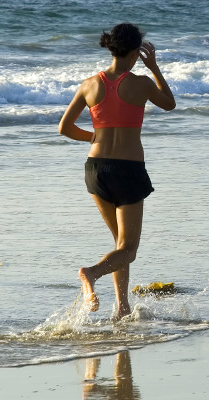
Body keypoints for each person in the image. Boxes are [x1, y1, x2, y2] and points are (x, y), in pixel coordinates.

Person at [58, 23, 175, 319]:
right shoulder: (141, 83)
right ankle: (91, 273)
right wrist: (156, 68)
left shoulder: (89, 84)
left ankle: (122, 307)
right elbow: (169, 104)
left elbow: (64, 127)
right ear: (137, 51)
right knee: (129, 248)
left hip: (96, 169)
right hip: (128, 170)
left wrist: (93, 137)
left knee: (120, 245)